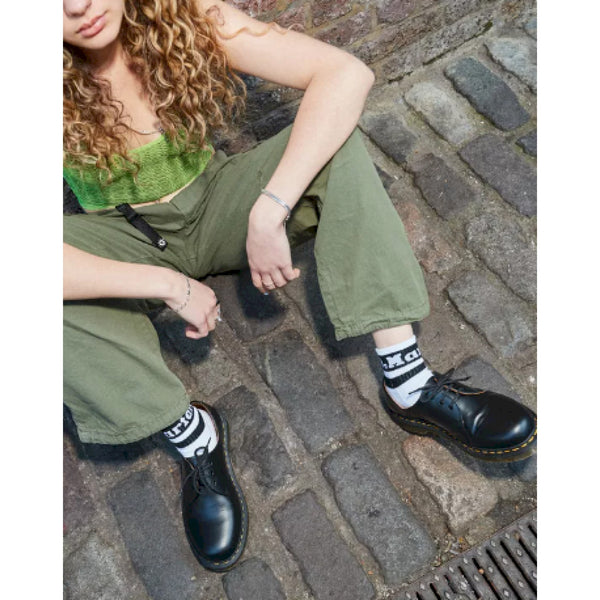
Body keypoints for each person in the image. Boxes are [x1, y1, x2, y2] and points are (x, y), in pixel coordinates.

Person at [63, 0, 537, 573]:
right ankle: (193, 436)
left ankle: (408, 382)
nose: (77, 6)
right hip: (123, 236)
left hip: (217, 202)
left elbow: (345, 74)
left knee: (336, 141)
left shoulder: (182, 14)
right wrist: (164, 282)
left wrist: (269, 210)